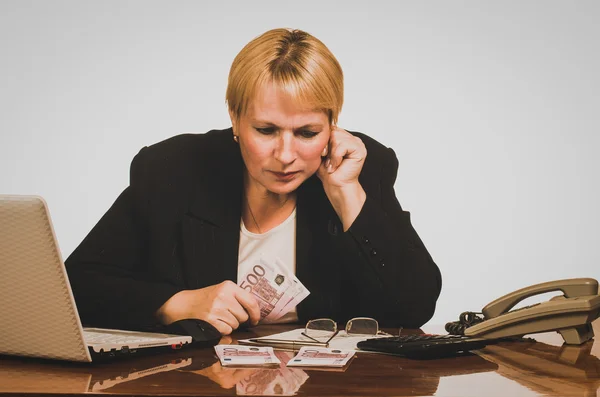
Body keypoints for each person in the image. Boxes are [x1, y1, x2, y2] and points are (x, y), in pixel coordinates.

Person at [65, 28, 442, 336]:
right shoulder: (172, 169)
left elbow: (415, 306)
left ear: (333, 122)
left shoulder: (362, 167)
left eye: (308, 132)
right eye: (265, 130)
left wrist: (346, 193)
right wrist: (175, 304)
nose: (285, 154)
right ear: (234, 117)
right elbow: (76, 287)